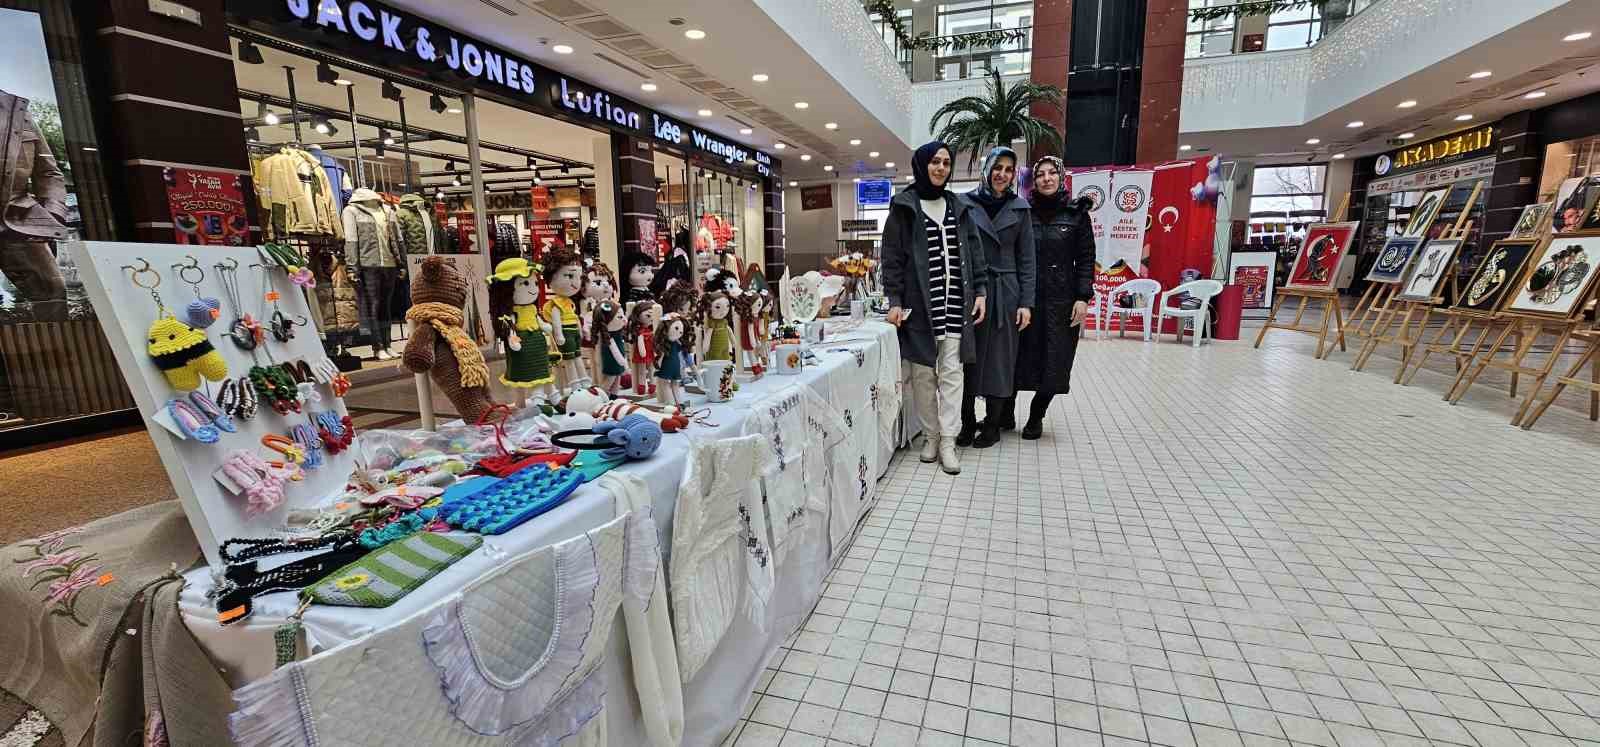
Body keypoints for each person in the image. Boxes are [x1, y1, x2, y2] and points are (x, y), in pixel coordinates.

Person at [881, 141, 988, 475]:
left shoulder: (959, 206)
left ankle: (948, 441)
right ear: (922, 164)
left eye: (946, 163)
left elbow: (975, 252)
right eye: (935, 162)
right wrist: (895, 300)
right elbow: (892, 259)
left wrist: (981, 291)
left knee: (953, 376)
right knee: (924, 376)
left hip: (956, 305)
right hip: (920, 309)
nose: (941, 168)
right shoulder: (904, 206)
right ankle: (930, 435)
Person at [1013, 156, 1094, 440]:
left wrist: (1083, 297)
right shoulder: (1024, 212)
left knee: (1056, 360)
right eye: (1040, 174)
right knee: (1018, 355)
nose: (1046, 178)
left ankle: (1037, 413)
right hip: (1028, 299)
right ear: (1033, 181)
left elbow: (1086, 259)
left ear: (1060, 177)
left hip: (1062, 300)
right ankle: (1005, 411)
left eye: (1052, 173)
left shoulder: (1076, 214)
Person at [959, 146, 1035, 449]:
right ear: (986, 168)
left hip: (1006, 291)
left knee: (1001, 360)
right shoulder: (963, 203)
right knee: (967, 358)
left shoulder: (1020, 208)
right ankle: (966, 423)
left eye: (1008, 169)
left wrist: (1026, 303)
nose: (1002, 174)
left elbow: (1027, 258)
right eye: (997, 167)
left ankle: (992, 424)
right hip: (972, 292)